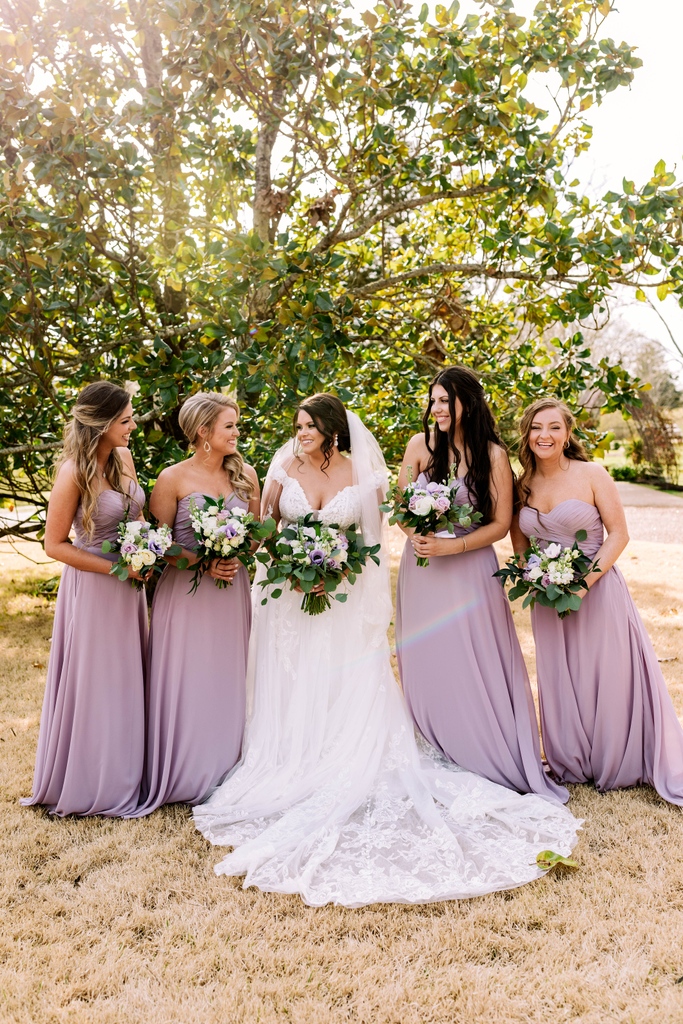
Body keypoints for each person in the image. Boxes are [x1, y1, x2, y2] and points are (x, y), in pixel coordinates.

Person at [193, 393, 579, 908]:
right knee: (293, 677)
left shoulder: (361, 471)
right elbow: (267, 528)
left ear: (332, 430)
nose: (301, 431)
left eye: (310, 425)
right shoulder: (282, 464)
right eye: (298, 424)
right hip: (290, 596)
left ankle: (350, 753)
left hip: (345, 594)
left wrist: (337, 570)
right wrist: (290, 564)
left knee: (345, 677)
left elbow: (372, 540)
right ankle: (294, 754)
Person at [395, 366, 566, 802]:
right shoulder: (419, 446)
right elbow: (399, 509)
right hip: (423, 569)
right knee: (427, 655)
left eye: (444, 400)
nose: (436, 408)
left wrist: (455, 547)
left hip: (469, 570)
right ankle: (435, 742)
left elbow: (501, 524)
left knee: (474, 658)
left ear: (466, 403)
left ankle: (482, 746)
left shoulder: (492, 455)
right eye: (432, 400)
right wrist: (415, 532)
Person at [512, 397, 683, 803]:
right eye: (537, 427)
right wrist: (531, 574)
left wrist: (583, 584)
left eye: (554, 427)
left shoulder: (591, 474)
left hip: (597, 589)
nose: (545, 435)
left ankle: (615, 758)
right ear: (527, 434)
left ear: (568, 433)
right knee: (560, 674)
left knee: (603, 672)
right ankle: (571, 760)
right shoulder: (523, 483)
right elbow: (519, 539)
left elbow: (619, 533)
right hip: (546, 595)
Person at [130, 393, 259, 817]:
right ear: (203, 432)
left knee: (228, 675)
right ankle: (185, 771)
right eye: (230, 427)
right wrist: (202, 562)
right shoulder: (172, 478)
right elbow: (158, 543)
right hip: (184, 594)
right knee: (187, 677)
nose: (237, 433)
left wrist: (236, 553)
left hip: (231, 591)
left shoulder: (246, 475)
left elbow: (257, 535)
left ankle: (227, 769)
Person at [22, 381, 147, 816]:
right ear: (103, 423)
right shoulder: (73, 471)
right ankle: (94, 779)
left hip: (131, 586)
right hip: (95, 587)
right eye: (126, 420)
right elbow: (53, 544)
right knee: (98, 679)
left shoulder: (124, 458)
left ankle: (127, 770)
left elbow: (138, 517)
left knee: (128, 677)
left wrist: (146, 549)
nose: (133, 426)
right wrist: (117, 568)